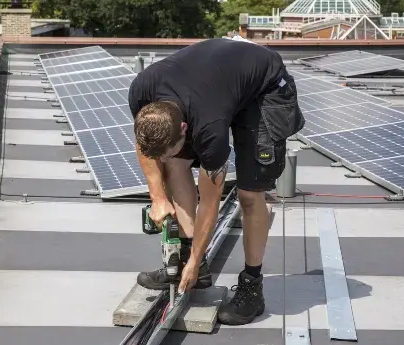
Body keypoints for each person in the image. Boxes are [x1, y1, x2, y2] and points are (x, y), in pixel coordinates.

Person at [127, 38, 305, 325]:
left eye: (174, 145)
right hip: (218, 84)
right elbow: (144, 144)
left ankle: (252, 287)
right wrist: (158, 198)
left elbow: (211, 203)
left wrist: (197, 260)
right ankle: (186, 260)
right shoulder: (142, 91)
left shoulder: (209, 130)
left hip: (265, 87)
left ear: (184, 128)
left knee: (249, 194)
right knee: (174, 163)